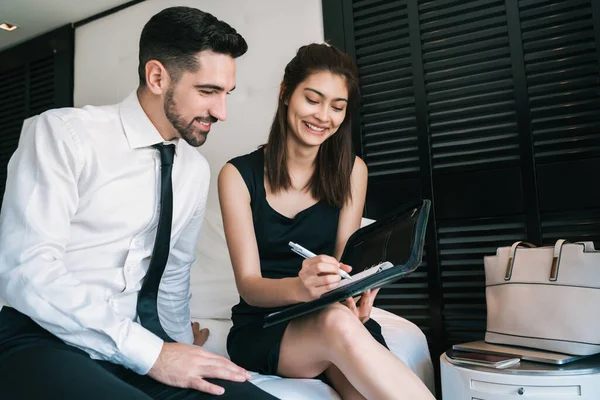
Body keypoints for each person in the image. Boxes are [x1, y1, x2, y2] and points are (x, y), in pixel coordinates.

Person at [0, 7, 276, 400]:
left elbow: (173, 278)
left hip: (138, 346)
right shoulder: (63, 135)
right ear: (157, 76)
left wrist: (181, 350)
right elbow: (26, 271)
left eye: (226, 94)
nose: (221, 112)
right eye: (208, 91)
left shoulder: (193, 170)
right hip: (40, 339)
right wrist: (155, 355)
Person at [218, 43, 434, 400]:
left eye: (337, 107)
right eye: (313, 99)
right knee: (336, 323)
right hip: (266, 326)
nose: (323, 116)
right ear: (286, 93)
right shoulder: (237, 176)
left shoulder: (352, 172)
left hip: (334, 316)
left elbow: (346, 262)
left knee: (360, 378)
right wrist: (301, 289)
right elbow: (249, 286)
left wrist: (357, 293)